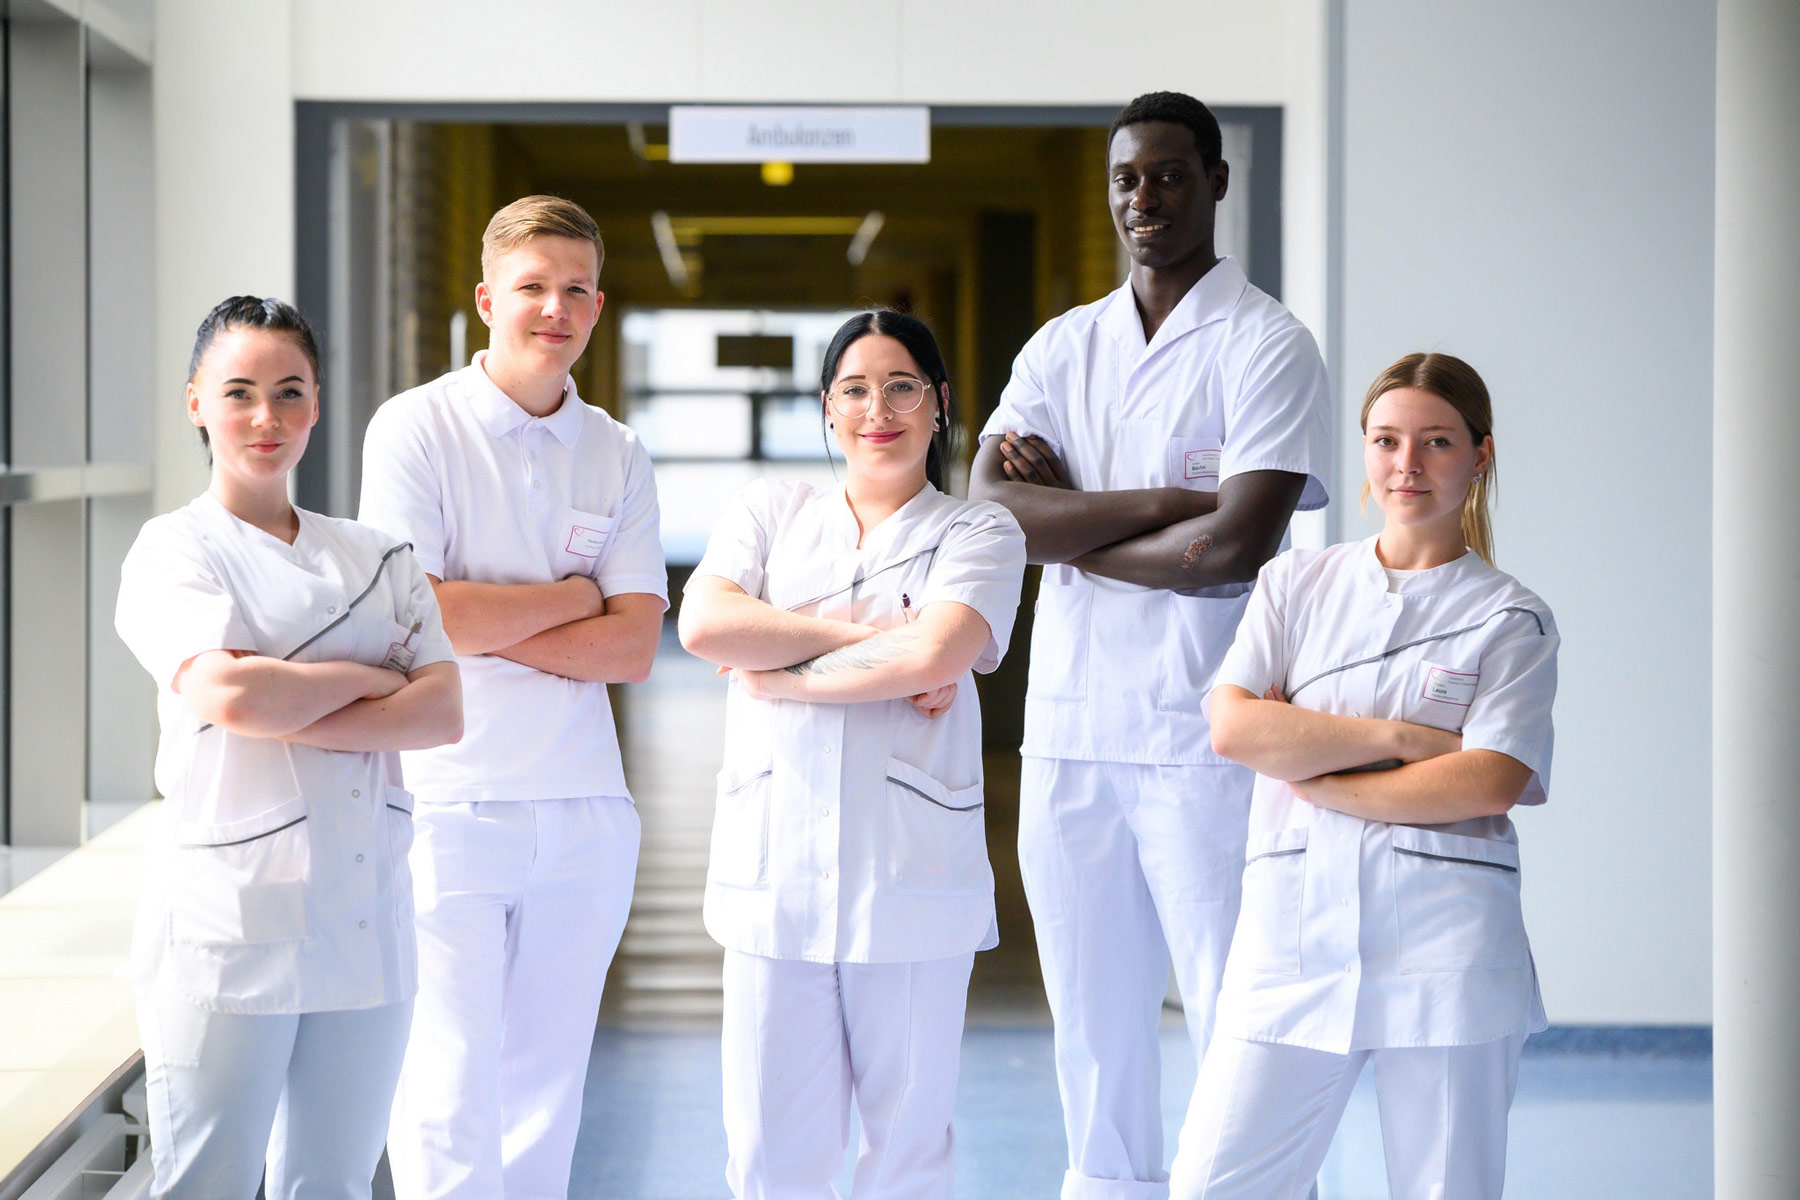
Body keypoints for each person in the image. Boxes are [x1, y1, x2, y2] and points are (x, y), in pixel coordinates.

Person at [968, 91, 1332, 1199]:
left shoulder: (1268, 344)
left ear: (1216, 182)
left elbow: (1232, 548)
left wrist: (1073, 527)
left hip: (1201, 737)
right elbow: (991, 518)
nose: (1146, 199)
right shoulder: (1062, 347)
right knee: (1090, 1022)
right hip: (1071, 737)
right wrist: (1160, 511)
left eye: (1170, 175)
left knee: (1233, 1010)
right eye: (1127, 179)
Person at [1169, 352, 1558, 1199]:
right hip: (1293, 938)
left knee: (1444, 1188)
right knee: (1211, 1184)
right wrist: (1402, 740)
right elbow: (1235, 726)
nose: (1406, 465)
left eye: (1436, 442)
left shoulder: (1511, 616)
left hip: (1447, 947)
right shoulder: (1295, 582)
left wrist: (1314, 767)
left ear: (1481, 454)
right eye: (1386, 441)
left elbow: (1487, 780)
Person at [114, 296, 462, 1198]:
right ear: (196, 401)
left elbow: (442, 713)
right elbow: (228, 692)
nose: (265, 418)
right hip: (228, 925)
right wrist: (374, 677)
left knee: (335, 1184)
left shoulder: (379, 556)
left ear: (317, 403)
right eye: (239, 392)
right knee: (206, 1181)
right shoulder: (173, 550)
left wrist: (284, 692)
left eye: (289, 392)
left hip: (365, 916)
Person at [358, 195, 667, 1199]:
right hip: (446, 803)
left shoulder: (615, 451)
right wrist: (571, 598)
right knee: (446, 1092)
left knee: (546, 1093)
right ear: (489, 297)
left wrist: (495, 620)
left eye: (575, 288)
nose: (555, 307)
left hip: (582, 812)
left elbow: (630, 648)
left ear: (598, 304)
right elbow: (421, 620)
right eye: (533, 286)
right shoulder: (415, 429)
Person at [679, 310, 1026, 1199]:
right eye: (856, 389)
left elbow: (934, 655)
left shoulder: (980, 534)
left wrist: (782, 668)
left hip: (911, 883)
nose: (881, 408)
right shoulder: (769, 510)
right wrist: (873, 643)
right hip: (774, 880)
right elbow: (707, 623)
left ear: (941, 406)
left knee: (908, 1153)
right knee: (765, 1154)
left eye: (903, 386)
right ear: (827, 410)